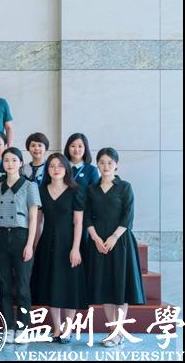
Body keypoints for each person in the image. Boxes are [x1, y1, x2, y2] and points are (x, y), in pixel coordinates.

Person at [84, 148, 146, 347]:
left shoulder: (125, 187)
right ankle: (112, 331)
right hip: (99, 244)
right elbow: (87, 216)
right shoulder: (91, 189)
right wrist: (95, 239)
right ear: (97, 164)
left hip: (121, 243)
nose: (106, 166)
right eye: (102, 162)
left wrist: (113, 237)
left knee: (120, 287)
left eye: (110, 162)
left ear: (116, 165)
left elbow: (128, 216)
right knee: (106, 287)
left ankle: (118, 332)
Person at [32, 153, 86, 343]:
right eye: (52, 166)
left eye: (60, 166)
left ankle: (68, 328)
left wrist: (76, 248)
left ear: (66, 169)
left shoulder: (75, 191)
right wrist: (35, 245)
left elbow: (78, 222)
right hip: (47, 242)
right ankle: (56, 328)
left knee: (69, 286)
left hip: (69, 244)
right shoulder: (41, 190)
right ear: (47, 169)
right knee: (51, 286)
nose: (56, 169)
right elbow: (38, 222)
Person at [0, 147, 40, 344]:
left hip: (22, 236)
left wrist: (30, 245)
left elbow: (34, 218)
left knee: (22, 286)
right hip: (1, 236)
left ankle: (23, 327)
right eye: (6, 160)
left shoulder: (30, 186)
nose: (10, 164)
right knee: (4, 286)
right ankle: (8, 327)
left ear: (21, 163)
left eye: (14, 160)